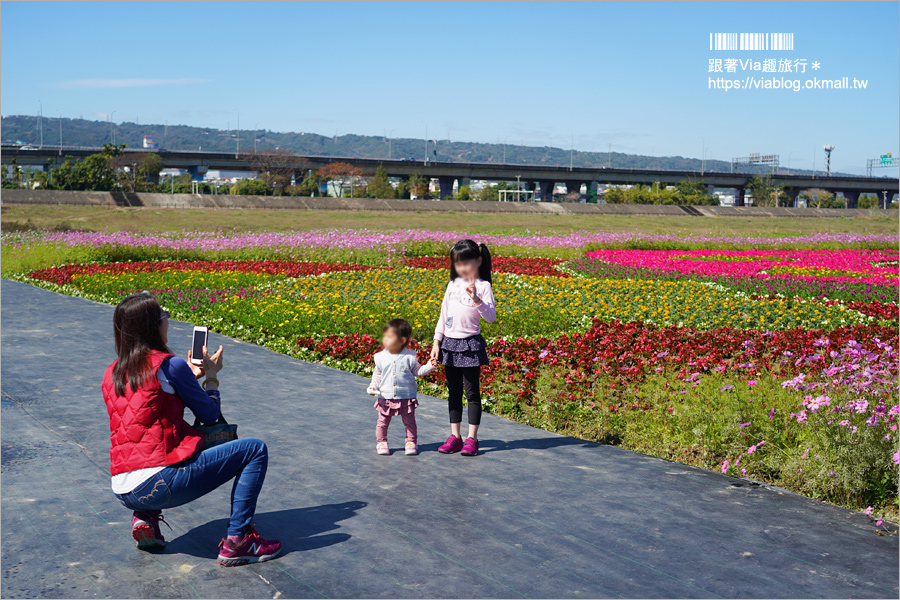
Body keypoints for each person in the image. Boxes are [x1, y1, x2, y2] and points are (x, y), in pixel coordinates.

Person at [101, 291, 282, 567]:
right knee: (254, 449)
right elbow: (209, 416)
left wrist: (186, 380)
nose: (168, 322)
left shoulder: (112, 373)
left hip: (124, 489)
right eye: (164, 316)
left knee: (146, 444)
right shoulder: (170, 365)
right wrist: (211, 378)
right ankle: (239, 540)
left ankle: (145, 517)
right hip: (160, 482)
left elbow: (146, 413)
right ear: (153, 326)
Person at [429, 240, 496, 456]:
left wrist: (476, 298)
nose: (462, 268)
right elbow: (443, 315)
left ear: (478, 261)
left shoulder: (484, 286)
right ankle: (455, 437)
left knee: (472, 393)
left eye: (466, 263)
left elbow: (491, 318)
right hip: (449, 344)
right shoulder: (452, 285)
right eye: (458, 264)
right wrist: (436, 341)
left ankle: (471, 439)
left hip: (469, 345)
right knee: (454, 392)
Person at [367, 318, 435, 456]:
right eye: (385, 336)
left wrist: (430, 366)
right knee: (382, 422)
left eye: (390, 337)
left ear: (402, 340)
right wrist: (373, 386)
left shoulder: (410, 356)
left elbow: (418, 371)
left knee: (410, 422)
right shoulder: (380, 357)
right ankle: (381, 442)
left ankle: (411, 442)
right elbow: (377, 374)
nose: (385, 339)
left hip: (406, 396)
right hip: (386, 396)